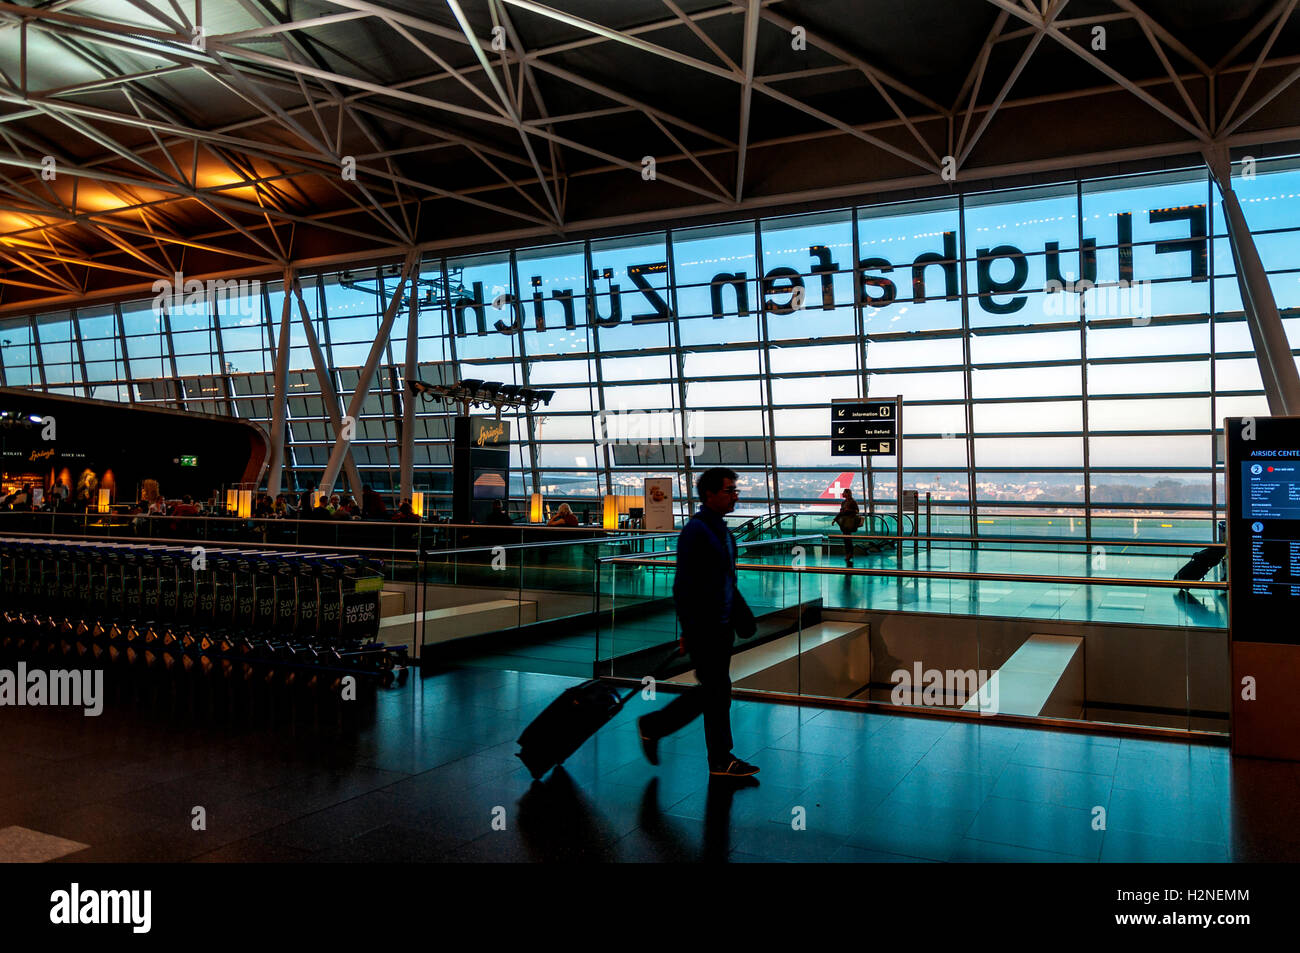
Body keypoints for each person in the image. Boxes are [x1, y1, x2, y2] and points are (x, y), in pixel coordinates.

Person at [636, 467, 759, 778]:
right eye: (729, 490)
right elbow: (684, 587)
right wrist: (689, 630)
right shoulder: (697, 531)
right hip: (707, 628)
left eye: (735, 490)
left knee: (716, 689)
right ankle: (666, 731)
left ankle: (716, 756)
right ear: (709, 495)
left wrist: (738, 615)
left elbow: (726, 581)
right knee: (715, 689)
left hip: (720, 626)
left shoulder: (721, 531)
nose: (735, 496)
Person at [833, 487, 861, 566]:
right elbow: (841, 512)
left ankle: (849, 553)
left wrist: (848, 511)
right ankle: (849, 553)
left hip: (848, 522)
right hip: (845, 522)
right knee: (846, 539)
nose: (842, 494)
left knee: (847, 538)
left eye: (844, 492)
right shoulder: (844, 502)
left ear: (847, 493)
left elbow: (856, 511)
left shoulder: (852, 502)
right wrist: (835, 519)